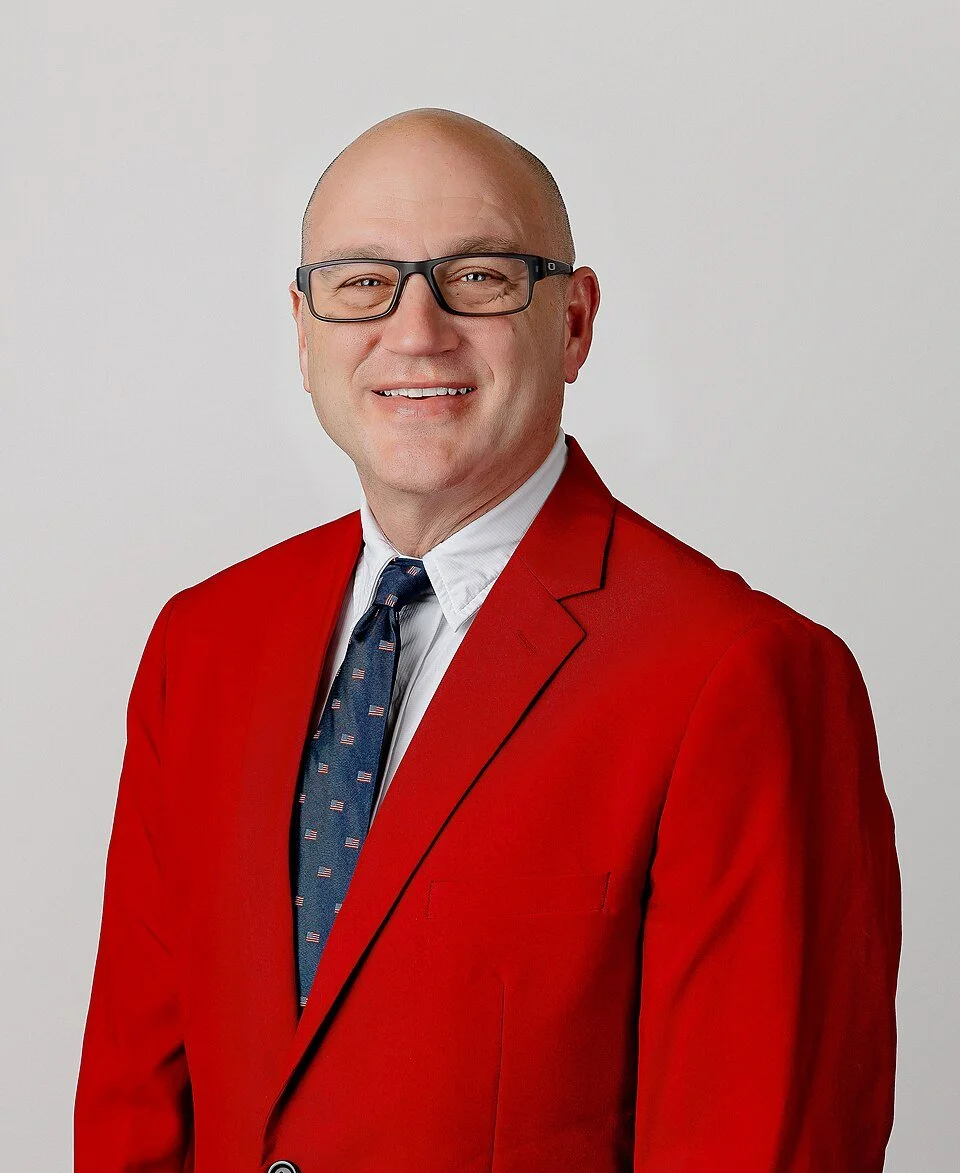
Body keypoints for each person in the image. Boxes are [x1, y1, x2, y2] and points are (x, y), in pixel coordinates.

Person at [74, 107, 902, 1172]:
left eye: (479, 277)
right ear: (302, 327)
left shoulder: (740, 673)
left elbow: (764, 1145)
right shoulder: (205, 642)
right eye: (363, 282)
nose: (415, 333)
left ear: (575, 321)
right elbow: (137, 1104)